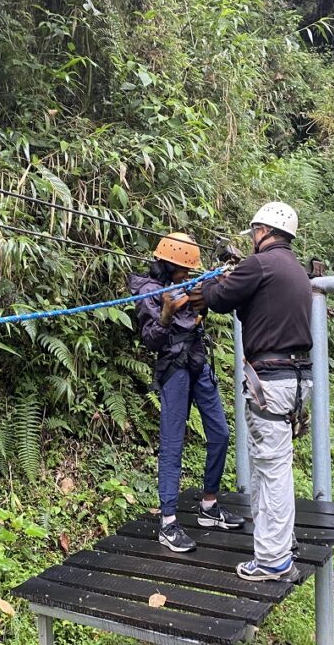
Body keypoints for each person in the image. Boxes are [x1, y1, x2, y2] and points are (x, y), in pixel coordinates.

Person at [191, 203, 313, 582]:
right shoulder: (295, 270)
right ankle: (278, 542)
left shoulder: (259, 265)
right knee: (272, 465)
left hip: (270, 382)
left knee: (271, 468)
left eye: (255, 232)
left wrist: (207, 286)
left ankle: (273, 558)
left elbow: (219, 299)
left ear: (263, 231)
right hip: (294, 381)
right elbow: (251, 309)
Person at [128, 232, 245, 552]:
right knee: (172, 444)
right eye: (182, 269)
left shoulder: (190, 284)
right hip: (174, 370)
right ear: (167, 265)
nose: (186, 274)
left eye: (189, 270)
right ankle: (168, 522)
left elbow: (212, 301)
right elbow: (151, 340)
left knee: (220, 433)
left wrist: (212, 290)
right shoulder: (150, 291)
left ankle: (209, 505)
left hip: (198, 363)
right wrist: (166, 314)